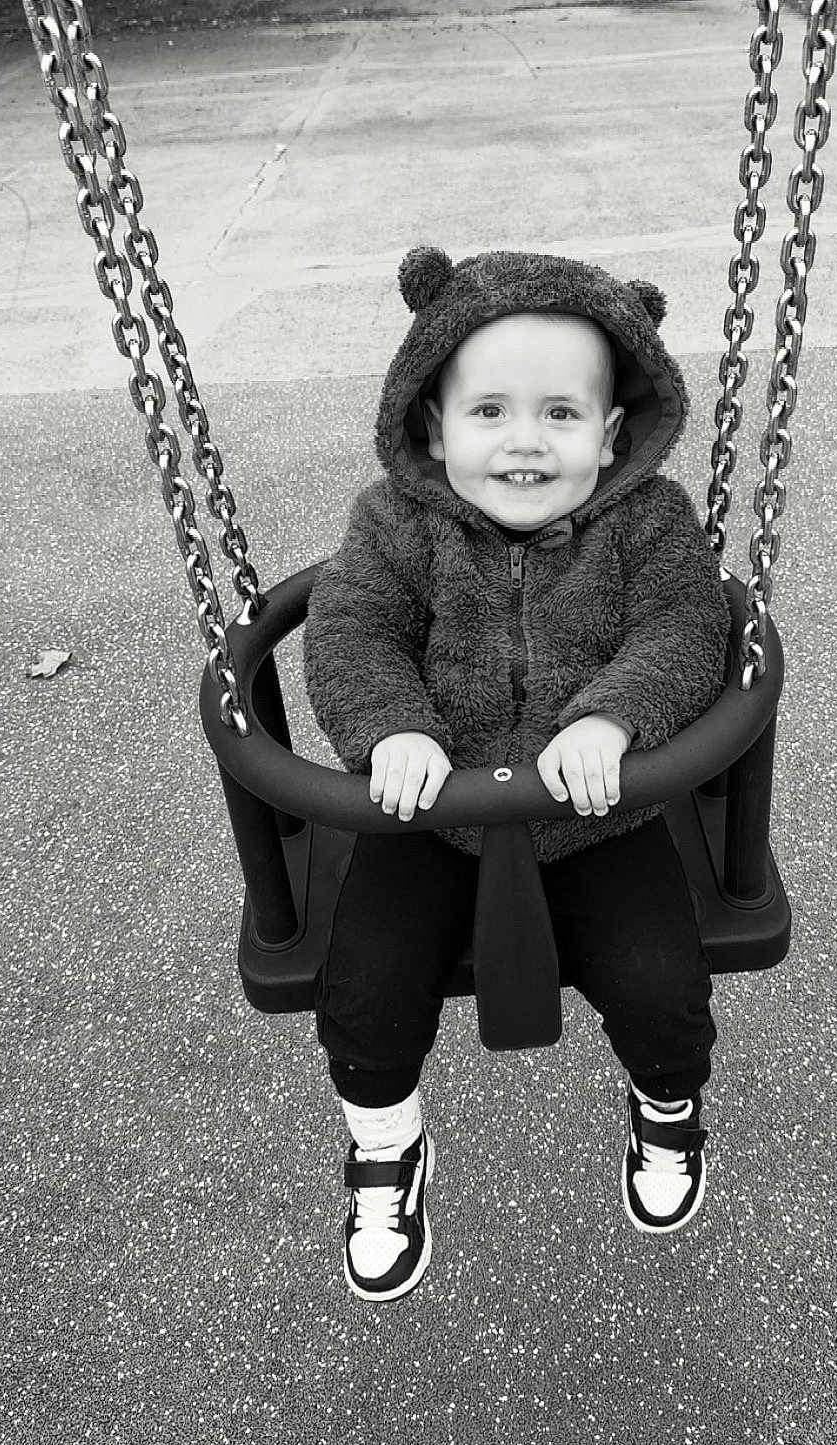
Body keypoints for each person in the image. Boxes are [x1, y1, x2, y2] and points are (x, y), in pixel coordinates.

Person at [303, 245, 730, 1301]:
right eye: (488, 412)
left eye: (560, 414)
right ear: (432, 424)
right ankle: (383, 1146)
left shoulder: (648, 522)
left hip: (600, 817)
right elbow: (351, 630)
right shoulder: (395, 523)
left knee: (661, 986)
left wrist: (613, 718)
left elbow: (685, 624)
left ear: (613, 431)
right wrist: (394, 731)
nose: (525, 442)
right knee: (362, 989)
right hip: (433, 816)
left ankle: (667, 1111)